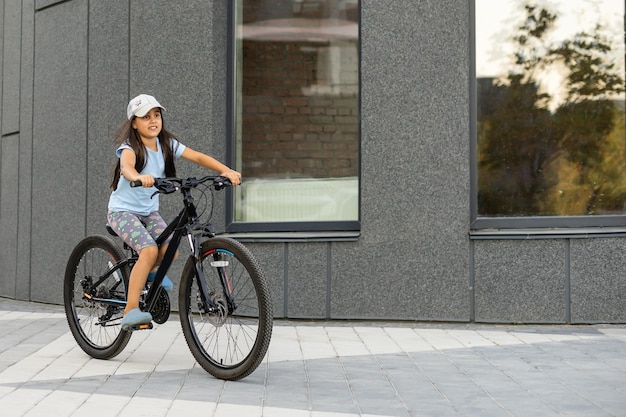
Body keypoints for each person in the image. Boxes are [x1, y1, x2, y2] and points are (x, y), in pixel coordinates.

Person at [107, 94, 241, 330]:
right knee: (149, 250)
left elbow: (197, 156)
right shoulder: (130, 148)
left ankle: (147, 273)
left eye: (156, 115)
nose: (152, 121)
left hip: (148, 213)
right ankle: (131, 309)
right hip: (122, 212)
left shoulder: (167, 144)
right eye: (145, 117)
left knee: (171, 251)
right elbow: (126, 167)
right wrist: (138, 177)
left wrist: (225, 170)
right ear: (134, 123)